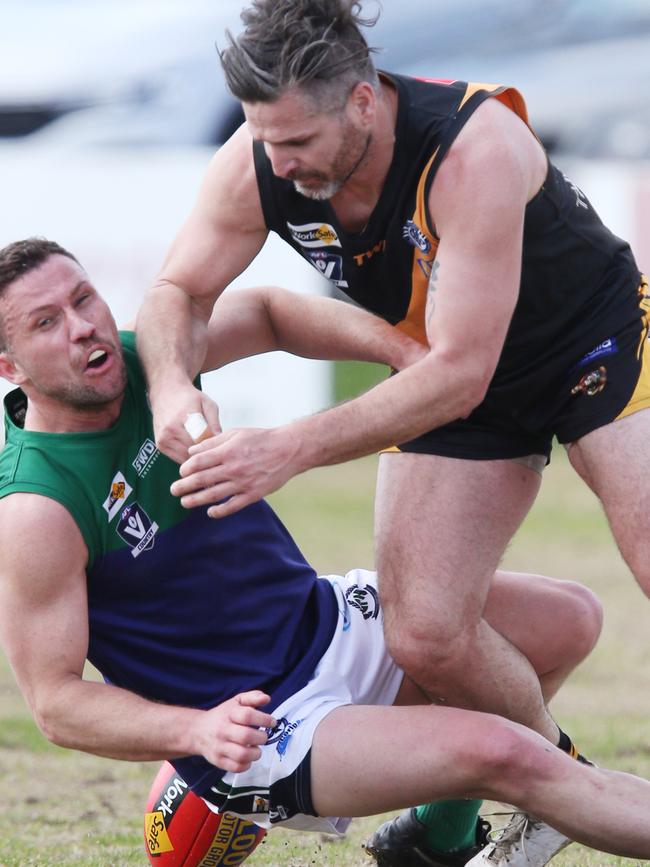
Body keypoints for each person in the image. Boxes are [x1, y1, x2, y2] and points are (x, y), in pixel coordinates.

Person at [133, 1, 650, 863]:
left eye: (296, 140)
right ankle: (542, 793)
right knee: (426, 635)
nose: (279, 160)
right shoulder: (260, 156)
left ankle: (532, 798)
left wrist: (287, 446)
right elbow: (177, 294)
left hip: (589, 344)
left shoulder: (473, 147)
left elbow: (464, 371)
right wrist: (168, 388)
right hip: (446, 369)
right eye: (264, 138)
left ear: (364, 104)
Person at [0, 238, 647, 867]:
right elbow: (55, 703)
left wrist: (407, 351)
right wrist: (193, 734)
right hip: (269, 722)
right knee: (514, 752)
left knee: (569, 621)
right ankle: (549, 790)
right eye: (47, 323)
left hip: (327, 620)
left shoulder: (153, 363)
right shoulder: (38, 506)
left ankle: (434, 841)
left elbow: (271, 313)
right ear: (10, 366)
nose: (84, 327)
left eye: (85, 299)